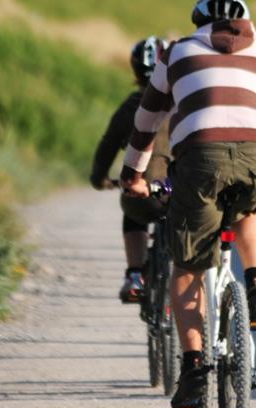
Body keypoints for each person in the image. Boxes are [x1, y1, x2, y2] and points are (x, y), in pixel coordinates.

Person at [120, 0, 256, 408]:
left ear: (199, 22)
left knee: (187, 269)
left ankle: (195, 374)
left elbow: (147, 121)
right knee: (250, 202)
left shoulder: (177, 52)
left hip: (200, 159)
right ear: (244, 22)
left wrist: (132, 175)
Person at [89, 36, 171, 304]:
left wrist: (99, 179)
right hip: (182, 192)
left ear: (135, 69)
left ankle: (135, 274)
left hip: (144, 195)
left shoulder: (131, 106)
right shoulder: (186, 102)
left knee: (133, 212)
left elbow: (108, 145)